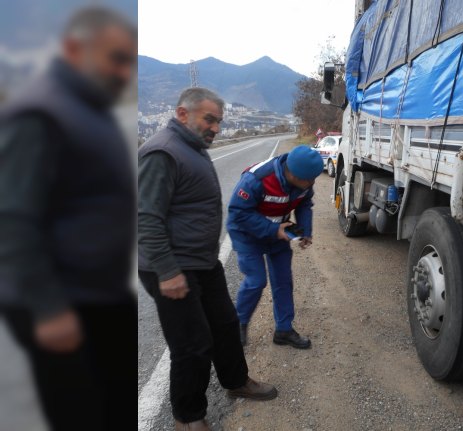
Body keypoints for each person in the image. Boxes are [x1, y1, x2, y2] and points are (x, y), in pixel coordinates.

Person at [0, 7, 137, 431]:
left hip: (97, 292)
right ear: (75, 49)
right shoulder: (41, 113)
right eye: (115, 58)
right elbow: (13, 217)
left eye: (129, 61)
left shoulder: (85, 106)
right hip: (65, 300)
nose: (124, 72)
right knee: (81, 414)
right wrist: (48, 308)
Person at [138, 87, 277, 431]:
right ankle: (187, 418)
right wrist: (167, 271)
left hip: (202, 262)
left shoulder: (193, 148)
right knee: (192, 344)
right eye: (209, 118)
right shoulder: (163, 151)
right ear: (182, 114)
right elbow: (146, 218)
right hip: (172, 265)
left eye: (219, 121)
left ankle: (235, 381)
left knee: (226, 325)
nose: (215, 127)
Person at [227, 145, 322, 349]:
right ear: (293, 173)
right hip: (247, 234)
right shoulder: (257, 179)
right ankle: (238, 324)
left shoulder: (304, 181)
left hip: (278, 232)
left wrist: (305, 231)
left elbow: (305, 203)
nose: (312, 183)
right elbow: (237, 212)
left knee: (283, 281)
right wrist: (272, 229)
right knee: (256, 280)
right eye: (309, 180)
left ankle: (284, 330)